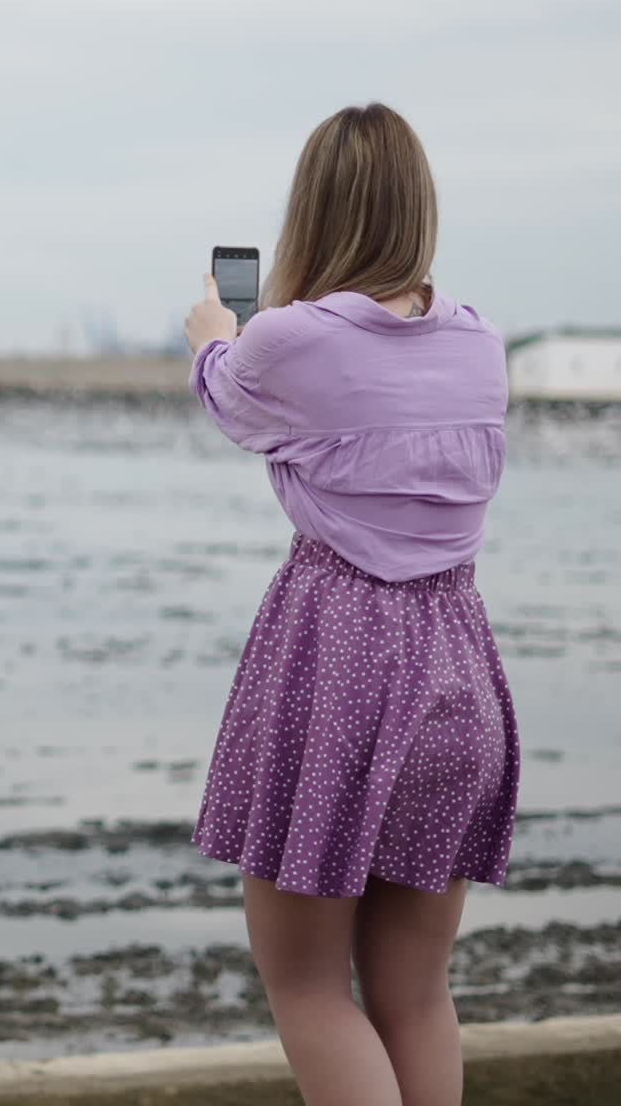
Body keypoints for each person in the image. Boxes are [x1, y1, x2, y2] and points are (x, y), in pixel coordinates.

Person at [183, 102, 521, 1106]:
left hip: (341, 667)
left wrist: (212, 333)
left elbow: (230, 397)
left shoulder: (289, 338)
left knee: (307, 986)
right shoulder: (481, 344)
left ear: (315, 212)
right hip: (460, 671)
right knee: (415, 992)